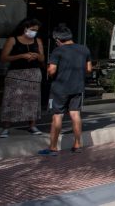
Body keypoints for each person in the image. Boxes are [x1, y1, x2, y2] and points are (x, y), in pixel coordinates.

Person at [39, 25, 91, 156]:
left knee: (57, 116)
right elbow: (89, 69)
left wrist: (48, 71)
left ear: (58, 39)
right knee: (75, 114)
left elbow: (52, 70)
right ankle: (77, 145)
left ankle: (53, 148)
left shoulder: (58, 51)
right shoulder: (84, 49)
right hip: (77, 87)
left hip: (59, 89)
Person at [0, 18, 45, 138]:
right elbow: (4, 58)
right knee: (11, 100)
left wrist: (36, 56)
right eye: (32, 29)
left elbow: (42, 58)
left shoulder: (37, 40)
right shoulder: (13, 40)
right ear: (25, 28)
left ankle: (32, 125)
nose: (34, 32)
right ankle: (6, 127)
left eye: (36, 30)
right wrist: (21, 56)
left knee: (33, 100)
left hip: (34, 73)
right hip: (16, 73)